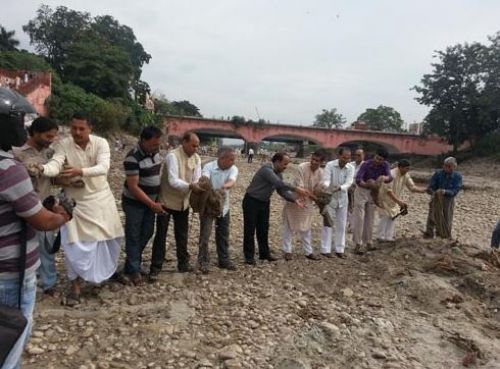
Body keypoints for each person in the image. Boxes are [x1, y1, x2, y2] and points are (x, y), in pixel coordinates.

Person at [0, 86, 70, 369]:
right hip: (10, 274)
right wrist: (63, 216)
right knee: (10, 345)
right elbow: (40, 221)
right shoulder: (9, 167)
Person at [41, 113, 124, 305]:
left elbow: (104, 167)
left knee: (105, 241)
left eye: (81, 129)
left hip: (100, 200)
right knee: (73, 245)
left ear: (90, 129)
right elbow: (55, 164)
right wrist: (43, 169)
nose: (77, 132)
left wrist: (80, 171)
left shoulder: (101, 143)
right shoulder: (63, 144)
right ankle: (76, 286)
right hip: (73, 204)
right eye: (74, 128)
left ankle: (98, 277)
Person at [12, 117, 60, 295]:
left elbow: (55, 176)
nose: (51, 140)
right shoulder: (17, 153)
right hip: (21, 205)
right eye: (48, 136)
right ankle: (23, 280)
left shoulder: (51, 154)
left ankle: (48, 282)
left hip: (44, 204)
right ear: (36, 133)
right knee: (19, 245)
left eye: (53, 137)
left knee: (46, 245)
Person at [243, 152, 308, 265]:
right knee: (250, 230)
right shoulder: (266, 169)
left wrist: (294, 199)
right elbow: (278, 183)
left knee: (263, 229)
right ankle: (249, 257)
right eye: (284, 164)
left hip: (264, 202)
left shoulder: (278, 173)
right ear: (277, 162)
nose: (286, 167)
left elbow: (281, 191)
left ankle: (264, 254)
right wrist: (296, 189)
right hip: (251, 201)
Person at [153, 132, 202, 273]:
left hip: (183, 203)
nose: (195, 149)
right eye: (193, 145)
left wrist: (197, 185)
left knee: (182, 235)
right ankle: (156, 267)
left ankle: (183, 264)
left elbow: (197, 179)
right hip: (166, 201)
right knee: (161, 235)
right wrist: (191, 186)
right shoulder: (172, 156)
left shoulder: (197, 158)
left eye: (197, 146)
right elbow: (172, 181)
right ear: (184, 142)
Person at [122, 126, 164, 285]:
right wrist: (151, 204)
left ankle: (131, 264)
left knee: (147, 232)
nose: (156, 148)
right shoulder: (132, 158)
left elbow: (157, 177)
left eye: (158, 144)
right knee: (133, 235)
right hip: (134, 203)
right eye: (153, 144)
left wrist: (157, 200)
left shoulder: (156, 154)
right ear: (143, 140)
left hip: (151, 202)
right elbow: (133, 187)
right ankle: (133, 270)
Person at [197, 147, 239, 273]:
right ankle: (203, 260)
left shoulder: (233, 168)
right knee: (205, 234)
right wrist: (205, 185)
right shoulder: (209, 167)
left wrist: (224, 187)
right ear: (222, 158)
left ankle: (223, 259)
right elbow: (204, 178)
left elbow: (232, 181)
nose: (233, 161)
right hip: (208, 205)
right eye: (231, 159)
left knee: (223, 234)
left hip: (223, 206)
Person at [282, 150, 326, 261]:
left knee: (306, 227)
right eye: (313, 159)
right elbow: (301, 188)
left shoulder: (321, 173)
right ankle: (287, 251)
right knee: (289, 225)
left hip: (308, 202)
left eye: (317, 161)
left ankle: (308, 252)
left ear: (321, 162)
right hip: (294, 198)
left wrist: (321, 199)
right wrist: (317, 200)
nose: (314, 162)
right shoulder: (301, 167)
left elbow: (319, 189)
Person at [353, 148, 392, 254]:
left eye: (381, 160)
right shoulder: (366, 164)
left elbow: (390, 177)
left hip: (373, 192)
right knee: (359, 218)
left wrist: (383, 178)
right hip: (362, 190)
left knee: (370, 218)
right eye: (377, 158)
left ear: (384, 160)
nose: (378, 161)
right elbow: (358, 180)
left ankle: (369, 242)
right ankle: (358, 244)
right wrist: (368, 184)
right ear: (374, 156)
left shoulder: (385, 165)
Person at [376, 159, 426, 242]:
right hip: (385, 198)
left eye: (408, 169)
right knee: (384, 217)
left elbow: (412, 187)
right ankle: (380, 237)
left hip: (395, 200)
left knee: (392, 217)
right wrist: (399, 202)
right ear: (400, 167)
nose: (407, 170)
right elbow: (388, 191)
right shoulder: (391, 174)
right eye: (406, 168)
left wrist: (425, 190)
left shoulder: (406, 175)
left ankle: (388, 237)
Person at [320, 147, 355, 258]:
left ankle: (340, 249)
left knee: (342, 224)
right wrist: (325, 186)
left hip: (343, 199)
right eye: (344, 157)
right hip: (330, 198)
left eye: (348, 158)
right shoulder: (330, 165)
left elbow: (349, 182)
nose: (346, 160)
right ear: (338, 156)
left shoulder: (350, 167)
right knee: (328, 223)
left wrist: (340, 187)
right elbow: (326, 179)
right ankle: (325, 250)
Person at [423, 157, 462, 239]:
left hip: (448, 200)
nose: (446, 167)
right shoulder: (438, 174)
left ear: (454, 167)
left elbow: (455, 191)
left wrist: (444, 191)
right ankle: (428, 235)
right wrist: (435, 193)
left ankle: (443, 235)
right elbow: (430, 187)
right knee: (432, 217)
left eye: (449, 166)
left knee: (446, 218)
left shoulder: (457, 176)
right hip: (436, 198)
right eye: (445, 165)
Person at [347, 149, 364, 231]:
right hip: (349, 189)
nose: (357, 157)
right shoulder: (350, 165)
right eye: (356, 155)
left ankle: (355, 226)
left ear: (363, 155)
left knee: (358, 207)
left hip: (360, 189)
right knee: (350, 206)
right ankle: (351, 224)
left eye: (359, 155)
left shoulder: (365, 165)